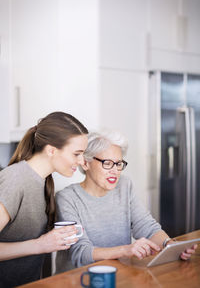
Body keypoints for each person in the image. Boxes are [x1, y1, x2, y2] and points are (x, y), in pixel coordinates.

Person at [55, 130, 197, 273]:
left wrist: (169, 245)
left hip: (119, 273)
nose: (115, 171)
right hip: (77, 279)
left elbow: (147, 226)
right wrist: (126, 250)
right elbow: (81, 252)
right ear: (86, 163)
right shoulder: (67, 198)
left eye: (119, 164)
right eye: (108, 163)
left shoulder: (124, 185)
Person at [0, 111, 88, 287]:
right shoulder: (15, 179)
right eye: (76, 154)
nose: (81, 161)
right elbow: (38, 245)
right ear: (51, 150)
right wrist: (40, 245)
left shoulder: (44, 181)